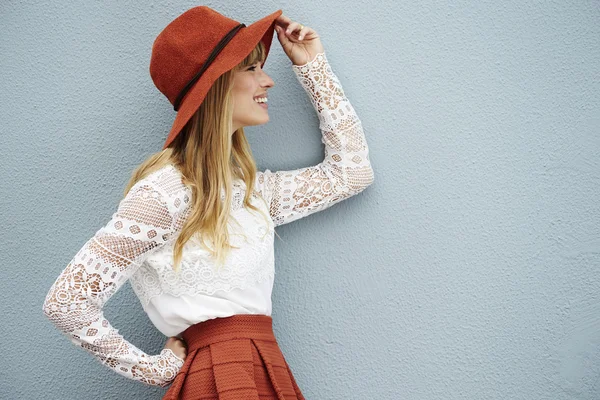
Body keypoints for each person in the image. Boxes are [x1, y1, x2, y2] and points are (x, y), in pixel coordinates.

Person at [42, 6, 374, 399]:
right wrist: (154, 368)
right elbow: (66, 303)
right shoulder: (163, 194)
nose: (267, 81)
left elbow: (350, 174)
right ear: (216, 85)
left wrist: (313, 66)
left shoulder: (249, 193)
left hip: (265, 367)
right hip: (213, 378)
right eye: (250, 69)